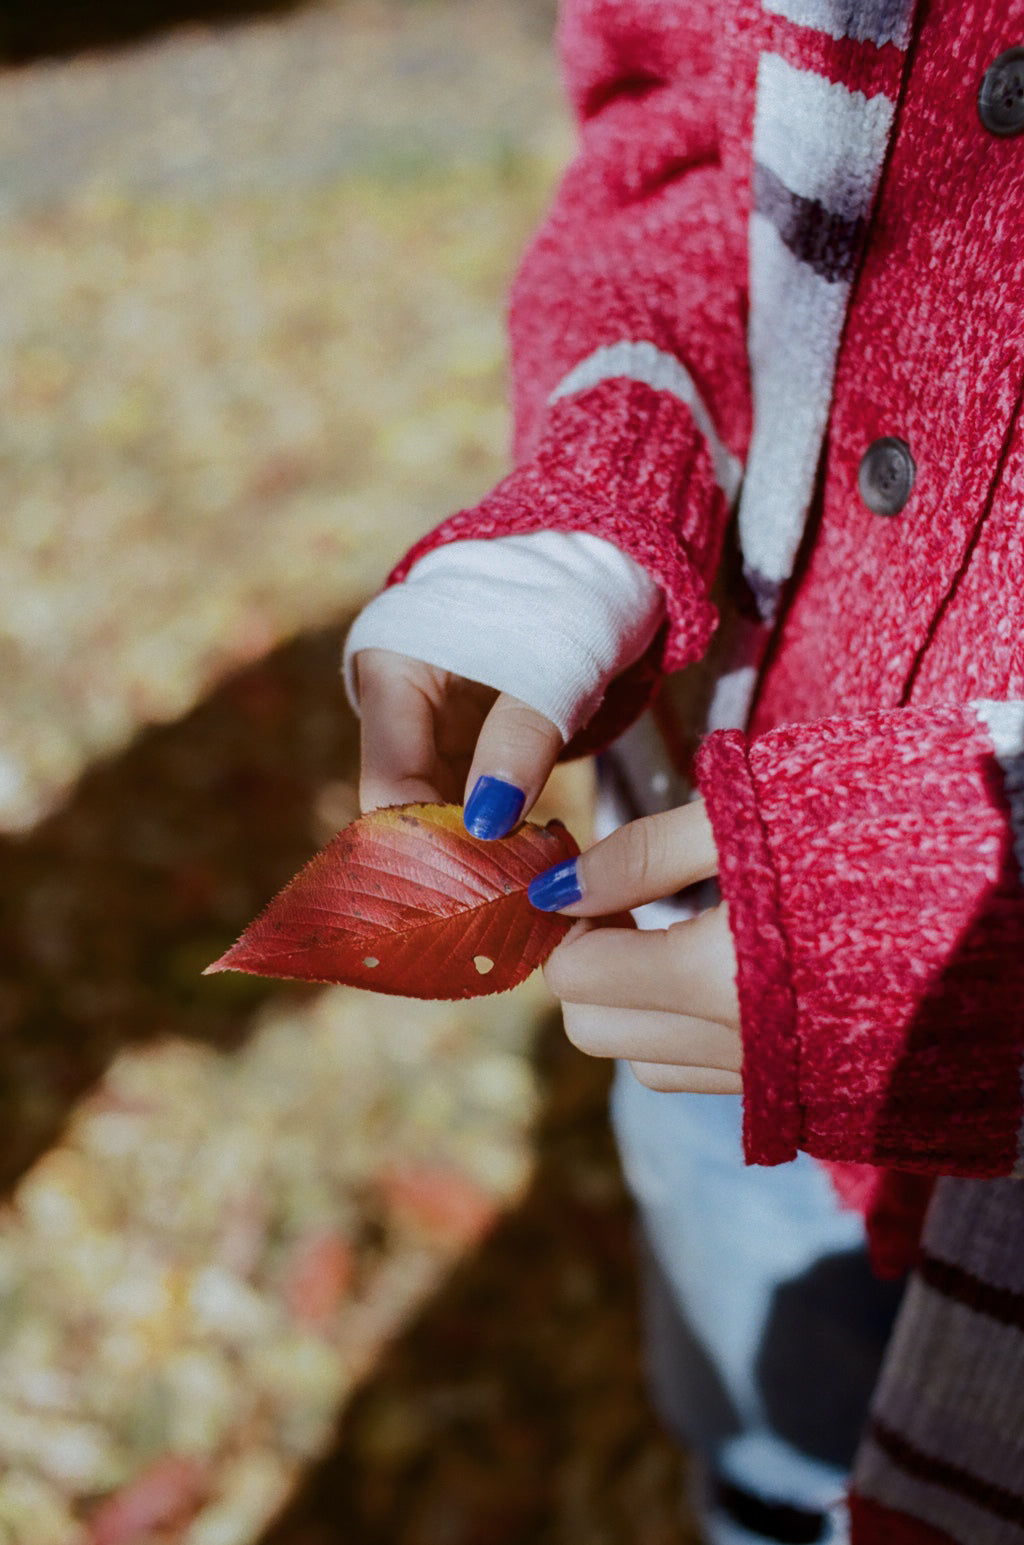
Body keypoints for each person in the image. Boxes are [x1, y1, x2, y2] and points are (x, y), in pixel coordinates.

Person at [343, 1, 1024, 1540]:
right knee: (776, 1465)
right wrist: (594, 509)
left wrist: (984, 901)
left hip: (936, 1021)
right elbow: (679, 149)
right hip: (720, 958)